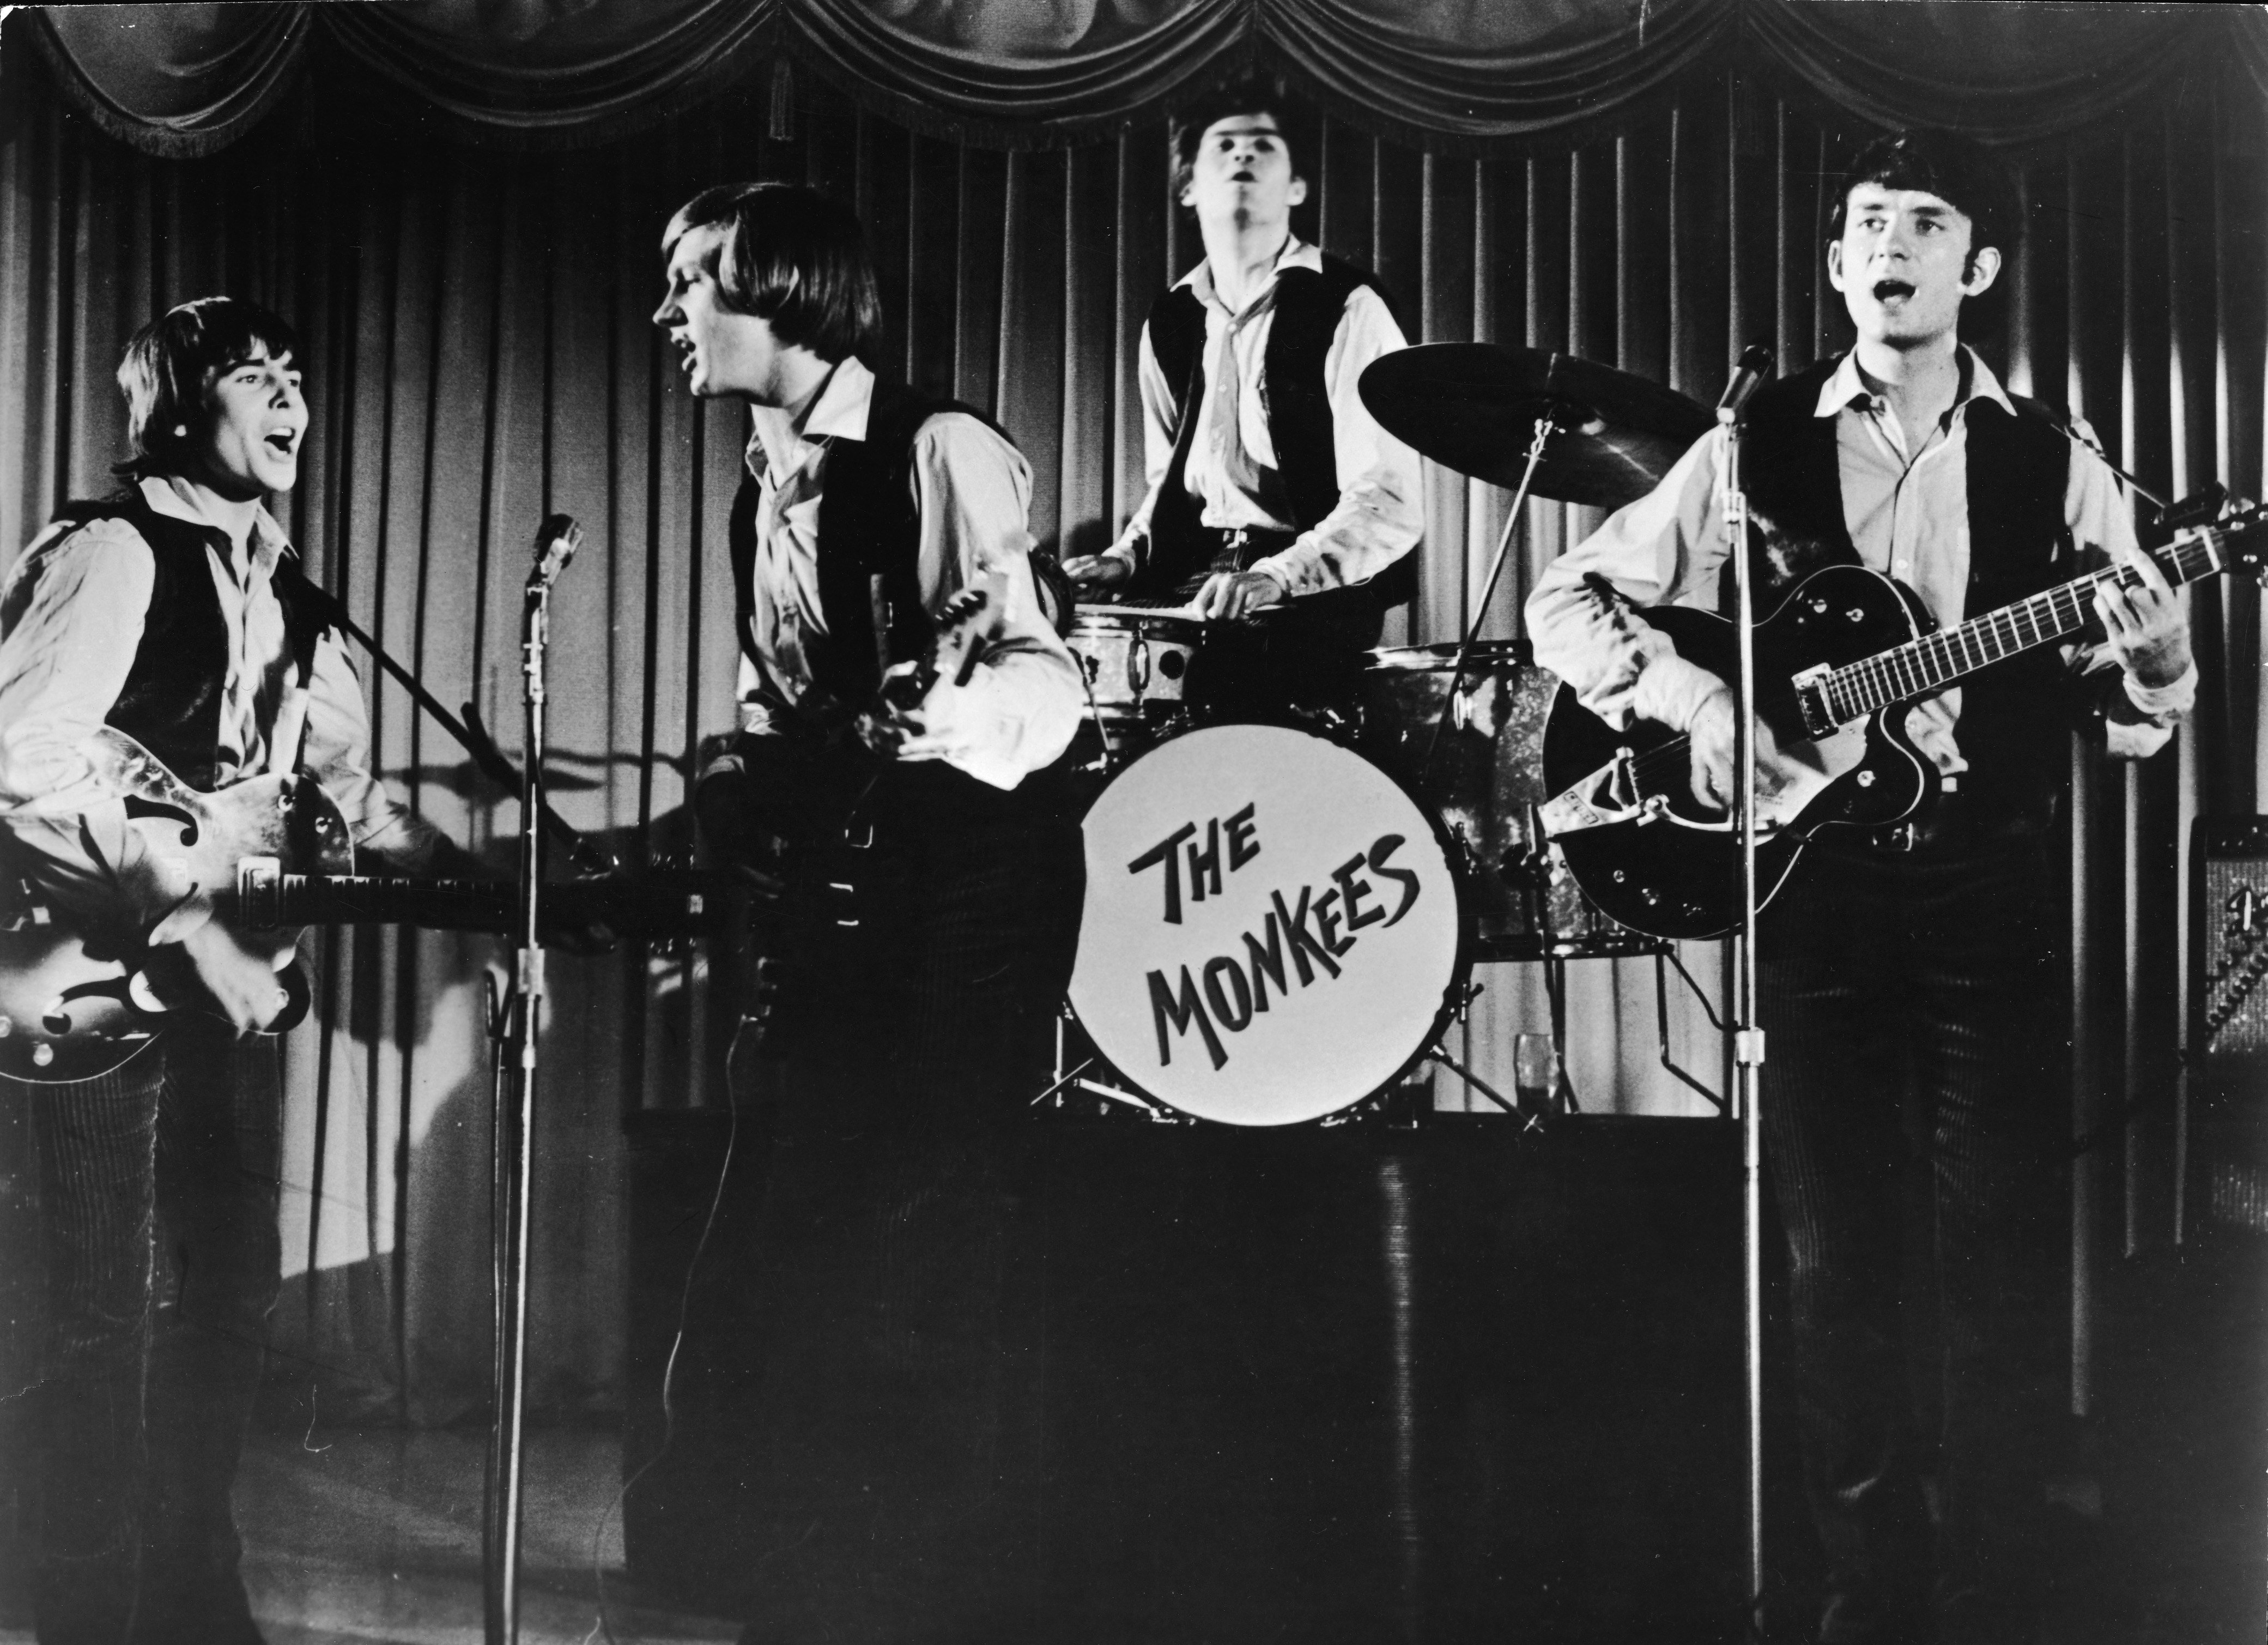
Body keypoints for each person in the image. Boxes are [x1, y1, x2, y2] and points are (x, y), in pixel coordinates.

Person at [1525, 131, 2194, 1645]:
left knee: (2001, 1260)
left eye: (1928, 219)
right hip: (1815, 901)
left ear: (1979, 267)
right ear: (1838, 266)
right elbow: (1566, 596)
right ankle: (1861, 1599)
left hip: (1989, 895)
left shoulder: (2054, 459)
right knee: (1834, 1266)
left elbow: (2137, 709)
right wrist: (1698, 706)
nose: (1893, 241)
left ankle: (2002, 1594)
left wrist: (2157, 653)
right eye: (1869, 223)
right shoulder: (1748, 445)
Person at [0, 298, 480, 1645]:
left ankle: (189, 1597)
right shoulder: (108, 552)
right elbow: (24, 757)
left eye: (297, 375)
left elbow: (354, 798)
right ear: (174, 404)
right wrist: (191, 926)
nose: (288, 400)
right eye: (253, 375)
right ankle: (93, 1614)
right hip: (93, 990)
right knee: (98, 1319)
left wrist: (525, 883)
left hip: (225, 1001)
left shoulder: (294, 594)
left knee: (227, 1301)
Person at [650, 183, 1085, 1641]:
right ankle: (769, 1577)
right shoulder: (754, 490)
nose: (668, 314)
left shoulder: (938, 448)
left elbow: (1044, 686)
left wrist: (947, 706)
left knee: (923, 1243)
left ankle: (907, 1597)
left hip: (972, 893)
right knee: (780, 1219)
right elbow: (782, 707)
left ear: (784, 295)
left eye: (693, 284)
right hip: (844, 890)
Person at [1060, 76, 1423, 719]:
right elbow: (1172, 488)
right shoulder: (1169, 322)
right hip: (1197, 583)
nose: (1242, 156)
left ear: (1296, 187)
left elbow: (1387, 502)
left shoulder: (1348, 306)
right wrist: (1125, 559)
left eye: (1263, 146)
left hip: (1311, 596)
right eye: (1223, 145)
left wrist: (1275, 577)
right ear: (1188, 187)